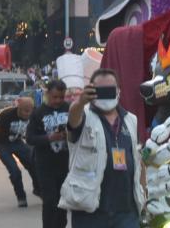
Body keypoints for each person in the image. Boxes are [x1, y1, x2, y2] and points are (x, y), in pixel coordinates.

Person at [59, 69, 145, 228]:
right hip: (90, 211)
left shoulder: (130, 119)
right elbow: (73, 119)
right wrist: (80, 102)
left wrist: (143, 196)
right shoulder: (83, 116)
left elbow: (138, 160)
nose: (105, 94)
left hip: (126, 212)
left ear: (119, 90)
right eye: (100, 90)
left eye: (110, 89)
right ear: (90, 90)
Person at [0, 96, 39, 207]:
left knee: (34, 163)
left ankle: (38, 189)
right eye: (25, 111)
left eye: (30, 111)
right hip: (1, 144)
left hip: (17, 141)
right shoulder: (6, 114)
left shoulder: (34, 114)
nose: (28, 114)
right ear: (18, 108)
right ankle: (21, 197)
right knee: (15, 171)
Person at [26, 80, 70, 228]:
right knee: (50, 200)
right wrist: (49, 138)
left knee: (63, 201)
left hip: (65, 163)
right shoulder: (38, 113)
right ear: (47, 94)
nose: (58, 101)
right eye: (55, 97)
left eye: (61, 97)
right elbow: (30, 138)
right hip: (45, 164)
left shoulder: (70, 109)